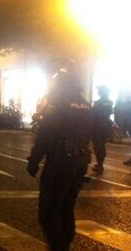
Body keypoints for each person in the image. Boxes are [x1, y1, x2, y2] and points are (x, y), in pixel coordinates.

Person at [27, 69, 93, 251]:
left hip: (60, 160)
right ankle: (65, 243)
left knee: (48, 210)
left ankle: (59, 247)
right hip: (80, 160)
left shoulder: (58, 105)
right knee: (66, 207)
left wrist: (34, 160)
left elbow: (46, 135)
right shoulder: (85, 104)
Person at [91, 85, 113, 173]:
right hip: (106, 126)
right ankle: (100, 163)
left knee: (97, 146)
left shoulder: (98, 102)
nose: (98, 92)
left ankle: (99, 165)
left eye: (99, 90)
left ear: (102, 92)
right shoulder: (110, 102)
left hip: (97, 126)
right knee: (102, 145)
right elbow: (110, 112)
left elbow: (93, 114)